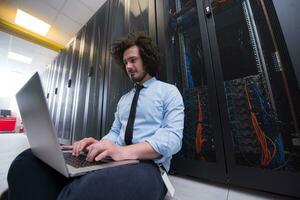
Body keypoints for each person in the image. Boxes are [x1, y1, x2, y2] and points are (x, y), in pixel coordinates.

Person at [7, 32, 184, 200]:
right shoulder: (124, 99)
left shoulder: (168, 92)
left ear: (146, 59)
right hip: (114, 160)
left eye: (133, 60)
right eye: (125, 62)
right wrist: (98, 145)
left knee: (84, 192)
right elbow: (115, 133)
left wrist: (123, 152)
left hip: (149, 166)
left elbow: (172, 138)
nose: (128, 66)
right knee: (26, 161)